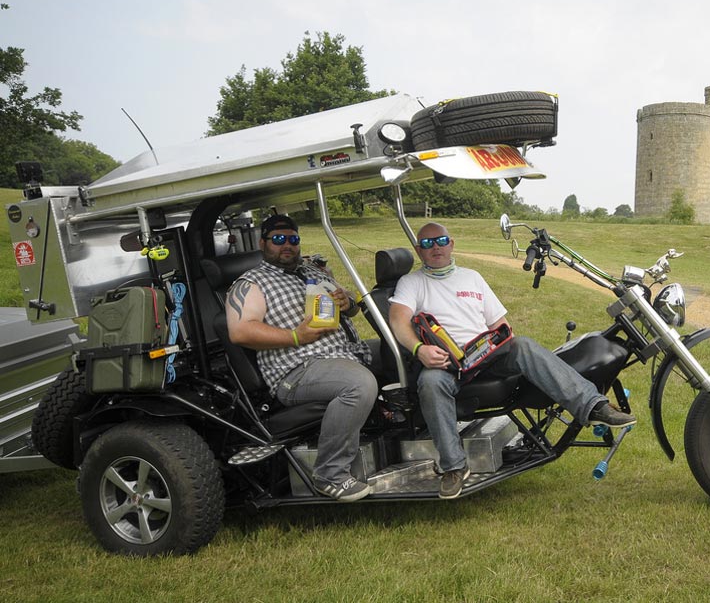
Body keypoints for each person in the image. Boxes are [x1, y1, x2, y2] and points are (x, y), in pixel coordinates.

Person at [388, 222, 636, 499]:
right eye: (427, 243)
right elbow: (398, 319)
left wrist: (503, 340)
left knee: (523, 345)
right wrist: (419, 349)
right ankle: (454, 468)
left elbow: (499, 323)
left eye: (441, 241)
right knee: (430, 382)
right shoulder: (412, 283)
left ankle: (593, 406)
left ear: (452, 244)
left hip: (484, 354)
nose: (435, 247)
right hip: (445, 363)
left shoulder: (472, 277)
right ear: (418, 250)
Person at [226, 214, 376, 502]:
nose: (287, 245)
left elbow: (351, 307)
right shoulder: (251, 283)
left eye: (293, 239)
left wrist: (347, 301)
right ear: (262, 244)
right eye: (278, 239)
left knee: (401, 355)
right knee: (358, 385)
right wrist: (296, 336)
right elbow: (240, 331)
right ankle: (330, 474)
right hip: (296, 371)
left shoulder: (312, 270)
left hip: (344, 355)